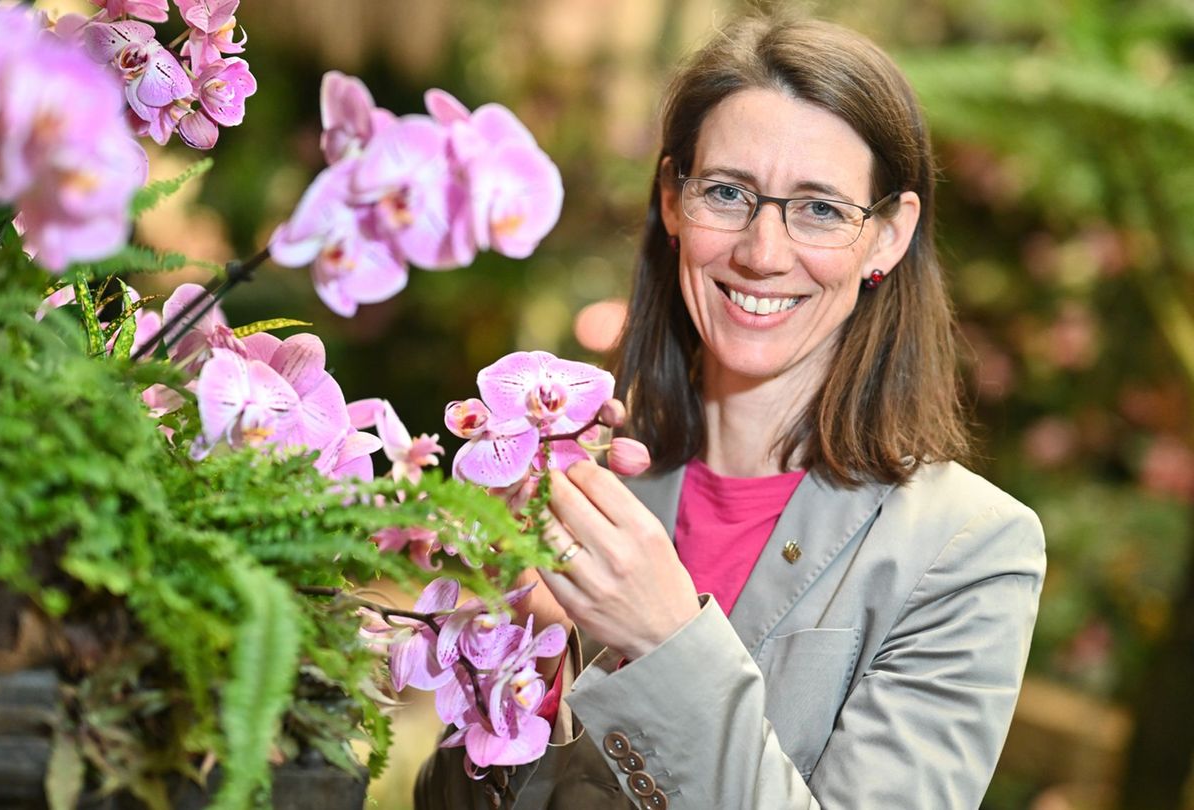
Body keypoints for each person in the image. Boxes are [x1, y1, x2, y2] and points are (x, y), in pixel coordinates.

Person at [416, 12, 1045, 810]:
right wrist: (525, 672)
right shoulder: (586, 481)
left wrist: (664, 643)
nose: (762, 252)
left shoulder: (968, 550)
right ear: (674, 202)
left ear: (887, 236)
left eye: (820, 208)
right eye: (726, 193)